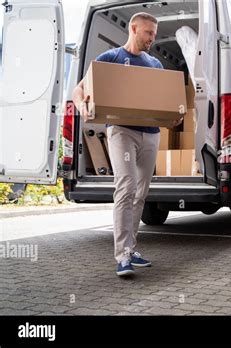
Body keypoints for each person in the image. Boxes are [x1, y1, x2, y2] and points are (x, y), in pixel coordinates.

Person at [73, 12, 181, 276]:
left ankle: (131, 249)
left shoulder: (155, 64)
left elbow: (165, 99)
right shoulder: (111, 58)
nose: (152, 39)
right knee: (126, 188)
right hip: (121, 131)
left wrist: (174, 115)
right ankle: (122, 256)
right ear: (134, 29)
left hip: (151, 133)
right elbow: (79, 89)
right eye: (148, 33)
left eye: (154, 34)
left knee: (141, 192)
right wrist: (82, 106)